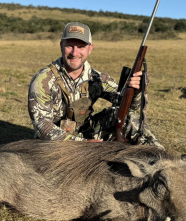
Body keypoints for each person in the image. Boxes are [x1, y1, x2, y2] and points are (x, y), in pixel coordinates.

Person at [28, 22, 163, 148]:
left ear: (90, 48)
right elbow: (42, 126)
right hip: (54, 144)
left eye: (81, 47)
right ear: (61, 45)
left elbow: (127, 107)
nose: (75, 53)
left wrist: (136, 91)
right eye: (70, 46)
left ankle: (161, 157)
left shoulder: (98, 78)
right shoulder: (43, 80)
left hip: (87, 133)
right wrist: (83, 144)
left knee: (128, 118)